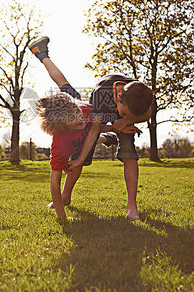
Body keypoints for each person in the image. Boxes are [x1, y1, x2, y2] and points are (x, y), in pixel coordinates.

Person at [29, 36, 137, 219]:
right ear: (63, 125)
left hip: (73, 105)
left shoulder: (84, 110)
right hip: (71, 126)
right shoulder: (60, 146)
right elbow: (54, 184)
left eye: (77, 112)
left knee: (65, 87)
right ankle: (40, 53)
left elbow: (94, 126)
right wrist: (63, 218)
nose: (79, 117)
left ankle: (40, 53)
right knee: (78, 154)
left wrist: (116, 127)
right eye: (73, 117)